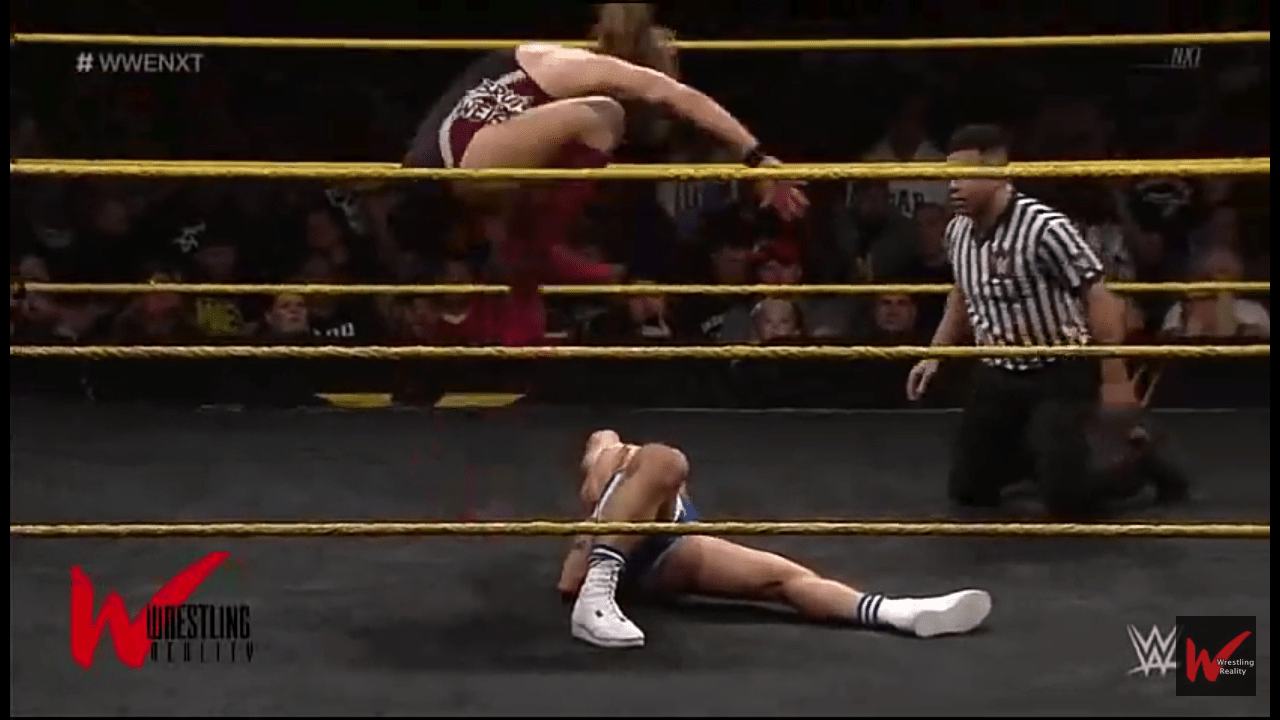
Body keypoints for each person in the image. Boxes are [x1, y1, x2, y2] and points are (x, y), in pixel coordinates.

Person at [403, 3, 807, 345]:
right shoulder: (575, 67)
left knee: (539, 196)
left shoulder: (539, 117)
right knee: (605, 116)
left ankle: (527, 283)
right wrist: (756, 155)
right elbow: (671, 93)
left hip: (443, 175)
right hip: (454, 164)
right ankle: (531, 270)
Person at [904, 124, 1189, 518]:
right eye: (949, 176)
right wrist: (935, 355)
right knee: (969, 492)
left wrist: (1115, 379)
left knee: (1068, 501)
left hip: (1058, 371)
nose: (953, 186)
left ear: (997, 170)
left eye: (964, 175)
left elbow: (1100, 298)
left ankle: (1141, 464)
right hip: (997, 372)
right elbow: (962, 292)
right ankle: (1038, 457)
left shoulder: (1044, 228)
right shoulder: (958, 232)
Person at [559, 430, 993, 649]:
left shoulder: (627, 464)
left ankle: (899, 612)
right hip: (624, 544)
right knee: (662, 458)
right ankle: (598, 592)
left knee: (786, 579)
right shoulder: (612, 456)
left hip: (669, 547)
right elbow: (571, 570)